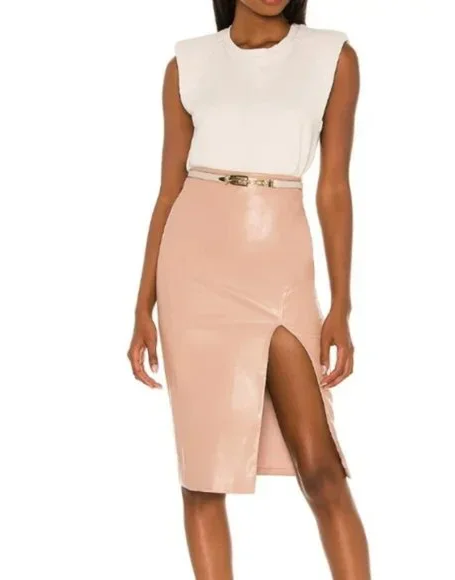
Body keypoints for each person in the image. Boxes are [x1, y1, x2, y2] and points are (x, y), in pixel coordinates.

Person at [127, 1, 370, 578]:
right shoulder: (187, 64)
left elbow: (334, 188)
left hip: (279, 264)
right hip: (193, 270)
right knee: (202, 476)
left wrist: (341, 304)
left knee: (321, 469)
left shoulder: (332, 56)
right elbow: (168, 191)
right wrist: (142, 305)